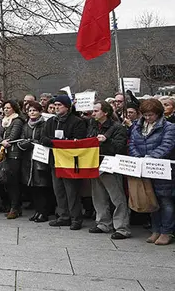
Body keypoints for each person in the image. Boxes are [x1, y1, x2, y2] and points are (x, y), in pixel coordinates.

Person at [128, 99, 175, 245]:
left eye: (151, 115)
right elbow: (132, 144)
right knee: (152, 200)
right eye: (145, 115)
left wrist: (150, 157)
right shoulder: (138, 126)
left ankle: (167, 231)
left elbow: (167, 145)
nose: (148, 118)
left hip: (162, 169)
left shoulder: (169, 127)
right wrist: (138, 158)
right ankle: (156, 229)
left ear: (158, 114)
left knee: (166, 200)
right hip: (145, 169)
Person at [40, 95, 87, 230]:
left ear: (67, 107)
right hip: (55, 160)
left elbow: (77, 140)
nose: (56, 107)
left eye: (59, 105)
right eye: (55, 105)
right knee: (59, 190)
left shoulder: (77, 122)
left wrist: (55, 142)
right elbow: (43, 138)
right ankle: (63, 216)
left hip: (70, 162)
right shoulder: (51, 121)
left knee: (71, 191)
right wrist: (59, 142)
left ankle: (76, 218)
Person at [87, 101, 131, 239]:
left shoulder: (117, 128)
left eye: (96, 111)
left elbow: (119, 147)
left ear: (105, 112)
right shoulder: (92, 125)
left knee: (117, 197)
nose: (93, 113)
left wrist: (106, 140)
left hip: (110, 165)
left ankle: (122, 227)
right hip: (95, 164)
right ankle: (103, 223)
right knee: (98, 196)